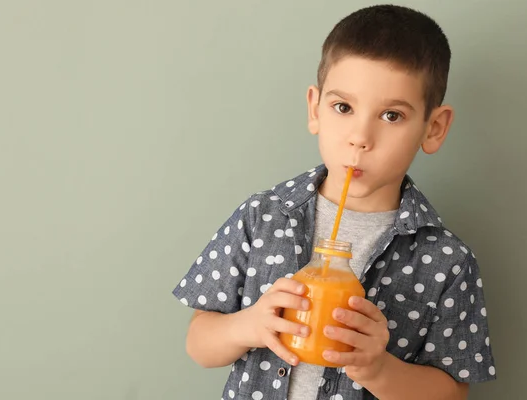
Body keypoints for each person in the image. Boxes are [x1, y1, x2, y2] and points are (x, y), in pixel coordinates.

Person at [172, 4, 497, 399]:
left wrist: (377, 368)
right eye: (343, 107)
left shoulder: (446, 260)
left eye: (391, 116)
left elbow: (451, 393)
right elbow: (198, 344)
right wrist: (251, 325)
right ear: (315, 109)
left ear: (434, 128)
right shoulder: (264, 217)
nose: (360, 137)